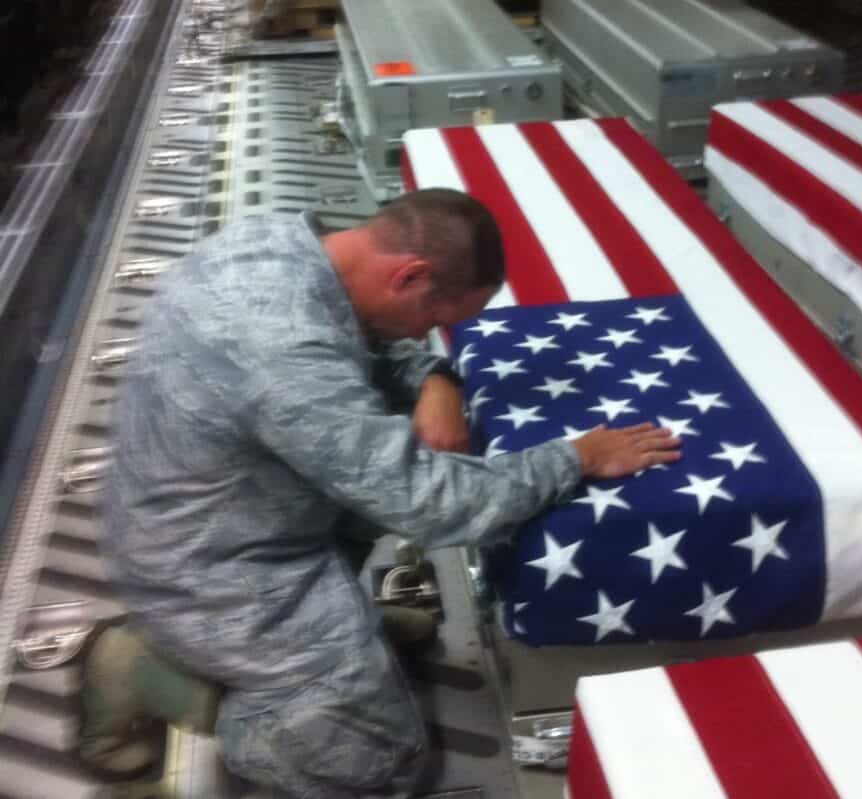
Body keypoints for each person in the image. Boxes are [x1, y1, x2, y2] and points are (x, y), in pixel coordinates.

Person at [91, 188, 681, 797]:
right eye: (436, 319)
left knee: (389, 439)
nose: (430, 332)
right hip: (213, 567)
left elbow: (358, 344)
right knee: (373, 761)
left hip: (237, 511)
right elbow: (430, 502)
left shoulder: (281, 247)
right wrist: (577, 457)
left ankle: (330, 636)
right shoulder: (278, 345)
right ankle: (166, 672)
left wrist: (435, 379)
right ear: (411, 275)